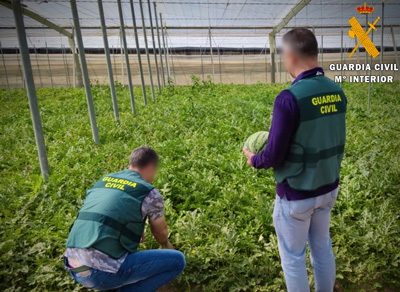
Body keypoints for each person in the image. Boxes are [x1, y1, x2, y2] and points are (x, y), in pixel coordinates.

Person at [243, 28, 347, 292]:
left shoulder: (289, 98)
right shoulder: (337, 91)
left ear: (289, 55)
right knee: (322, 248)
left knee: (293, 258)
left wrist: (254, 159)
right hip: (329, 189)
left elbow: (275, 153)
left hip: (297, 195)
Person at [64, 146, 185, 292]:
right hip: (99, 273)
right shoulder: (149, 192)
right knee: (177, 261)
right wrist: (166, 244)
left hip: (73, 265)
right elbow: (161, 232)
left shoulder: (103, 181)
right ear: (152, 167)